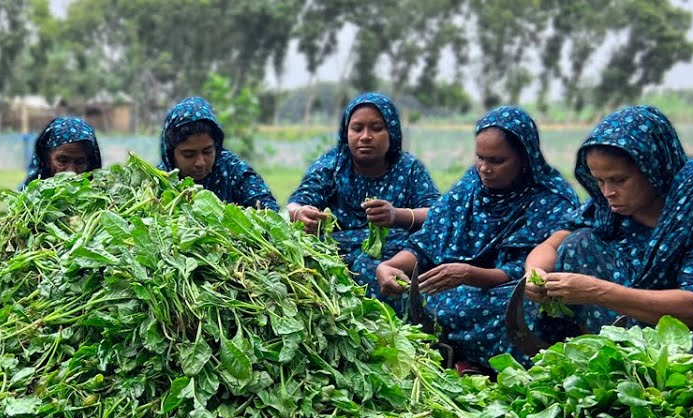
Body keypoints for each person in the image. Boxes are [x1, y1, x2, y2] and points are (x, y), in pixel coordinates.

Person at [373, 106, 578, 367]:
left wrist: (470, 275)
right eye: (480, 158)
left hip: (501, 290)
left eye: (497, 161)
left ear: (525, 159)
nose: (484, 168)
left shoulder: (553, 199)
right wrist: (390, 266)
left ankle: (476, 360)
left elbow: (527, 273)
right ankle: (451, 352)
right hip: (449, 283)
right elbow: (430, 239)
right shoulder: (472, 184)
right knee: (377, 276)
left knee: (522, 310)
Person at [524, 105, 693, 335]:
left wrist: (597, 291)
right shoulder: (606, 207)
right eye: (600, 181)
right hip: (625, 322)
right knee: (578, 243)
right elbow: (552, 244)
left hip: (688, 336)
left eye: (619, 180)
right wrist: (534, 274)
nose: (608, 192)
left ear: (653, 168)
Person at [286, 92, 439, 292]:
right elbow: (298, 201)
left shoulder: (408, 168)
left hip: (396, 255)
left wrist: (396, 215)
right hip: (335, 254)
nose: (365, 137)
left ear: (391, 132)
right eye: (357, 129)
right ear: (346, 132)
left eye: (376, 128)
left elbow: (438, 214)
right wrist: (300, 213)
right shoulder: (332, 165)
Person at [159, 97, 278, 210]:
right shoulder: (158, 182)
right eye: (189, 155)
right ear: (171, 153)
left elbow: (269, 209)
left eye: (207, 151)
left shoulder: (233, 171)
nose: (200, 162)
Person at [22, 116, 102, 186]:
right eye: (62, 161)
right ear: (47, 159)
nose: (71, 172)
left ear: (89, 162)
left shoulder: (100, 195)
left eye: (80, 162)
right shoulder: (29, 196)